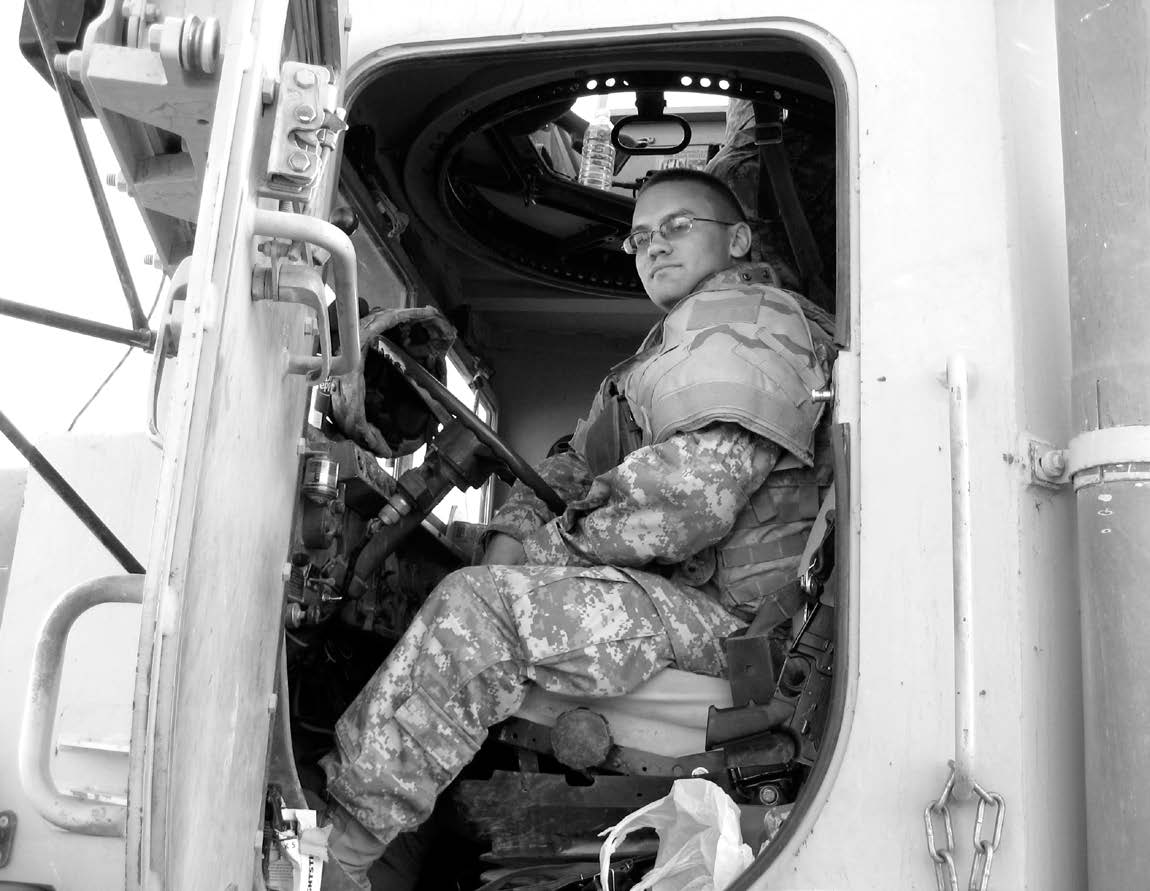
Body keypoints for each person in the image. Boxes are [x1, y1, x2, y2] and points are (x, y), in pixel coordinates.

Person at [319, 168, 833, 890]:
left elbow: (689, 499)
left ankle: (336, 861)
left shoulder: (748, 324)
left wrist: (539, 552)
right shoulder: (669, 350)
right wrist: (510, 531)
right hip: (709, 606)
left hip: (750, 633)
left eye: (678, 226)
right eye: (641, 236)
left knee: (482, 610)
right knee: (460, 569)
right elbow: (570, 464)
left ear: (738, 238)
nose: (654, 246)